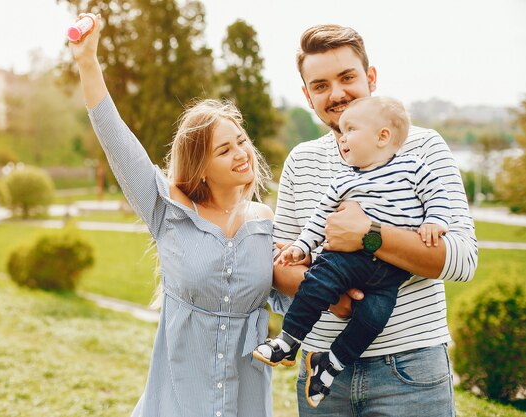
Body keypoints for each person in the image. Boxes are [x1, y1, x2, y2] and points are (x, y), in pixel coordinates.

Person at [70, 14, 283, 417]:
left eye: (242, 141)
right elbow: (117, 141)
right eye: (225, 150)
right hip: (175, 405)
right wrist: (87, 61)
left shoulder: (266, 222)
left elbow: (292, 298)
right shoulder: (168, 212)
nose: (242, 153)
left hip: (246, 405)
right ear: (200, 167)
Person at [272, 24, 478, 417]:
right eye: (320, 85)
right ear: (307, 95)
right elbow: (280, 267)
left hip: (409, 371)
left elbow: (462, 260)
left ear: (371, 78)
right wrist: (337, 299)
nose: (336, 94)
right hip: (319, 377)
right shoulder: (301, 161)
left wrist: (369, 236)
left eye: (347, 77)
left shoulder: (424, 147)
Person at [254, 96, 451, 407]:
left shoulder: (415, 168)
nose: (342, 138)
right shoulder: (344, 179)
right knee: (316, 284)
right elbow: (320, 218)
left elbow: (439, 197)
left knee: (374, 318)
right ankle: (288, 341)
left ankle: (330, 363)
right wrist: (302, 246)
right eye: (341, 132)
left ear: (382, 137)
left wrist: (435, 221)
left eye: (350, 130)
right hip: (346, 259)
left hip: (390, 271)